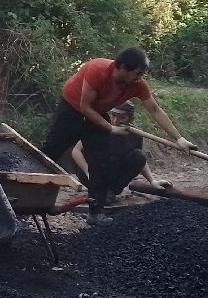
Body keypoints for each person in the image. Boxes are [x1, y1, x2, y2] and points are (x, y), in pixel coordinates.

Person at [40, 47, 196, 225]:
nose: (140, 77)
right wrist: (110, 128)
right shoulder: (97, 69)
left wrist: (179, 138)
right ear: (122, 67)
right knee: (50, 152)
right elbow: (85, 107)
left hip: (97, 114)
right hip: (72, 110)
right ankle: (25, 195)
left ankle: (96, 213)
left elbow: (154, 109)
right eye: (137, 73)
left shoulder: (138, 85)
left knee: (99, 161)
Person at [69, 101, 170, 198]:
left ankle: (110, 191)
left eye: (122, 117)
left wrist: (152, 181)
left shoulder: (134, 135)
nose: (115, 121)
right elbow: (76, 151)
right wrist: (88, 172)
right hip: (91, 172)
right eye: (113, 115)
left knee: (139, 155)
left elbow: (140, 160)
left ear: (130, 119)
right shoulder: (100, 127)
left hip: (113, 173)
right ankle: (99, 191)